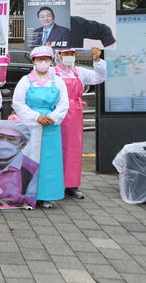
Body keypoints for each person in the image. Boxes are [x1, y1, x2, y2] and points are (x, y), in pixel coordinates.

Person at [12, 46, 69, 209]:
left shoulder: (58, 81)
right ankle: (26, 195)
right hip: (31, 126)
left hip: (51, 126)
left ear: (51, 60)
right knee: (28, 160)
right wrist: (36, 117)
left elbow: (64, 104)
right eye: (39, 59)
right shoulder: (25, 81)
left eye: (46, 59)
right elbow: (18, 103)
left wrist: (53, 117)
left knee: (50, 162)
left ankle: (46, 195)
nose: (43, 62)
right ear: (33, 61)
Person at [54, 47, 107, 199]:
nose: (69, 56)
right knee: (54, 148)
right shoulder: (51, 72)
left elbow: (99, 77)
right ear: (58, 55)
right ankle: (54, 184)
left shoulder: (79, 72)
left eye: (72, 53)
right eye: (65, 53)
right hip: (55, 112)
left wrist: (97, 60)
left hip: (74, 114)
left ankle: (71, 185)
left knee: (73, 149)